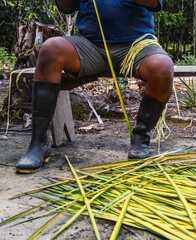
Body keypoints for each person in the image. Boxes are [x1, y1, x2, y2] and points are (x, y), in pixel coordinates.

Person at [16, 0, 174, 173]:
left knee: (163, 66)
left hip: (136, 45)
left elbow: (153, 3)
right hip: (91, 45)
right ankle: (39, 143)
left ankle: (141, 138)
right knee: (50, 50)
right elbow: (66, 7)